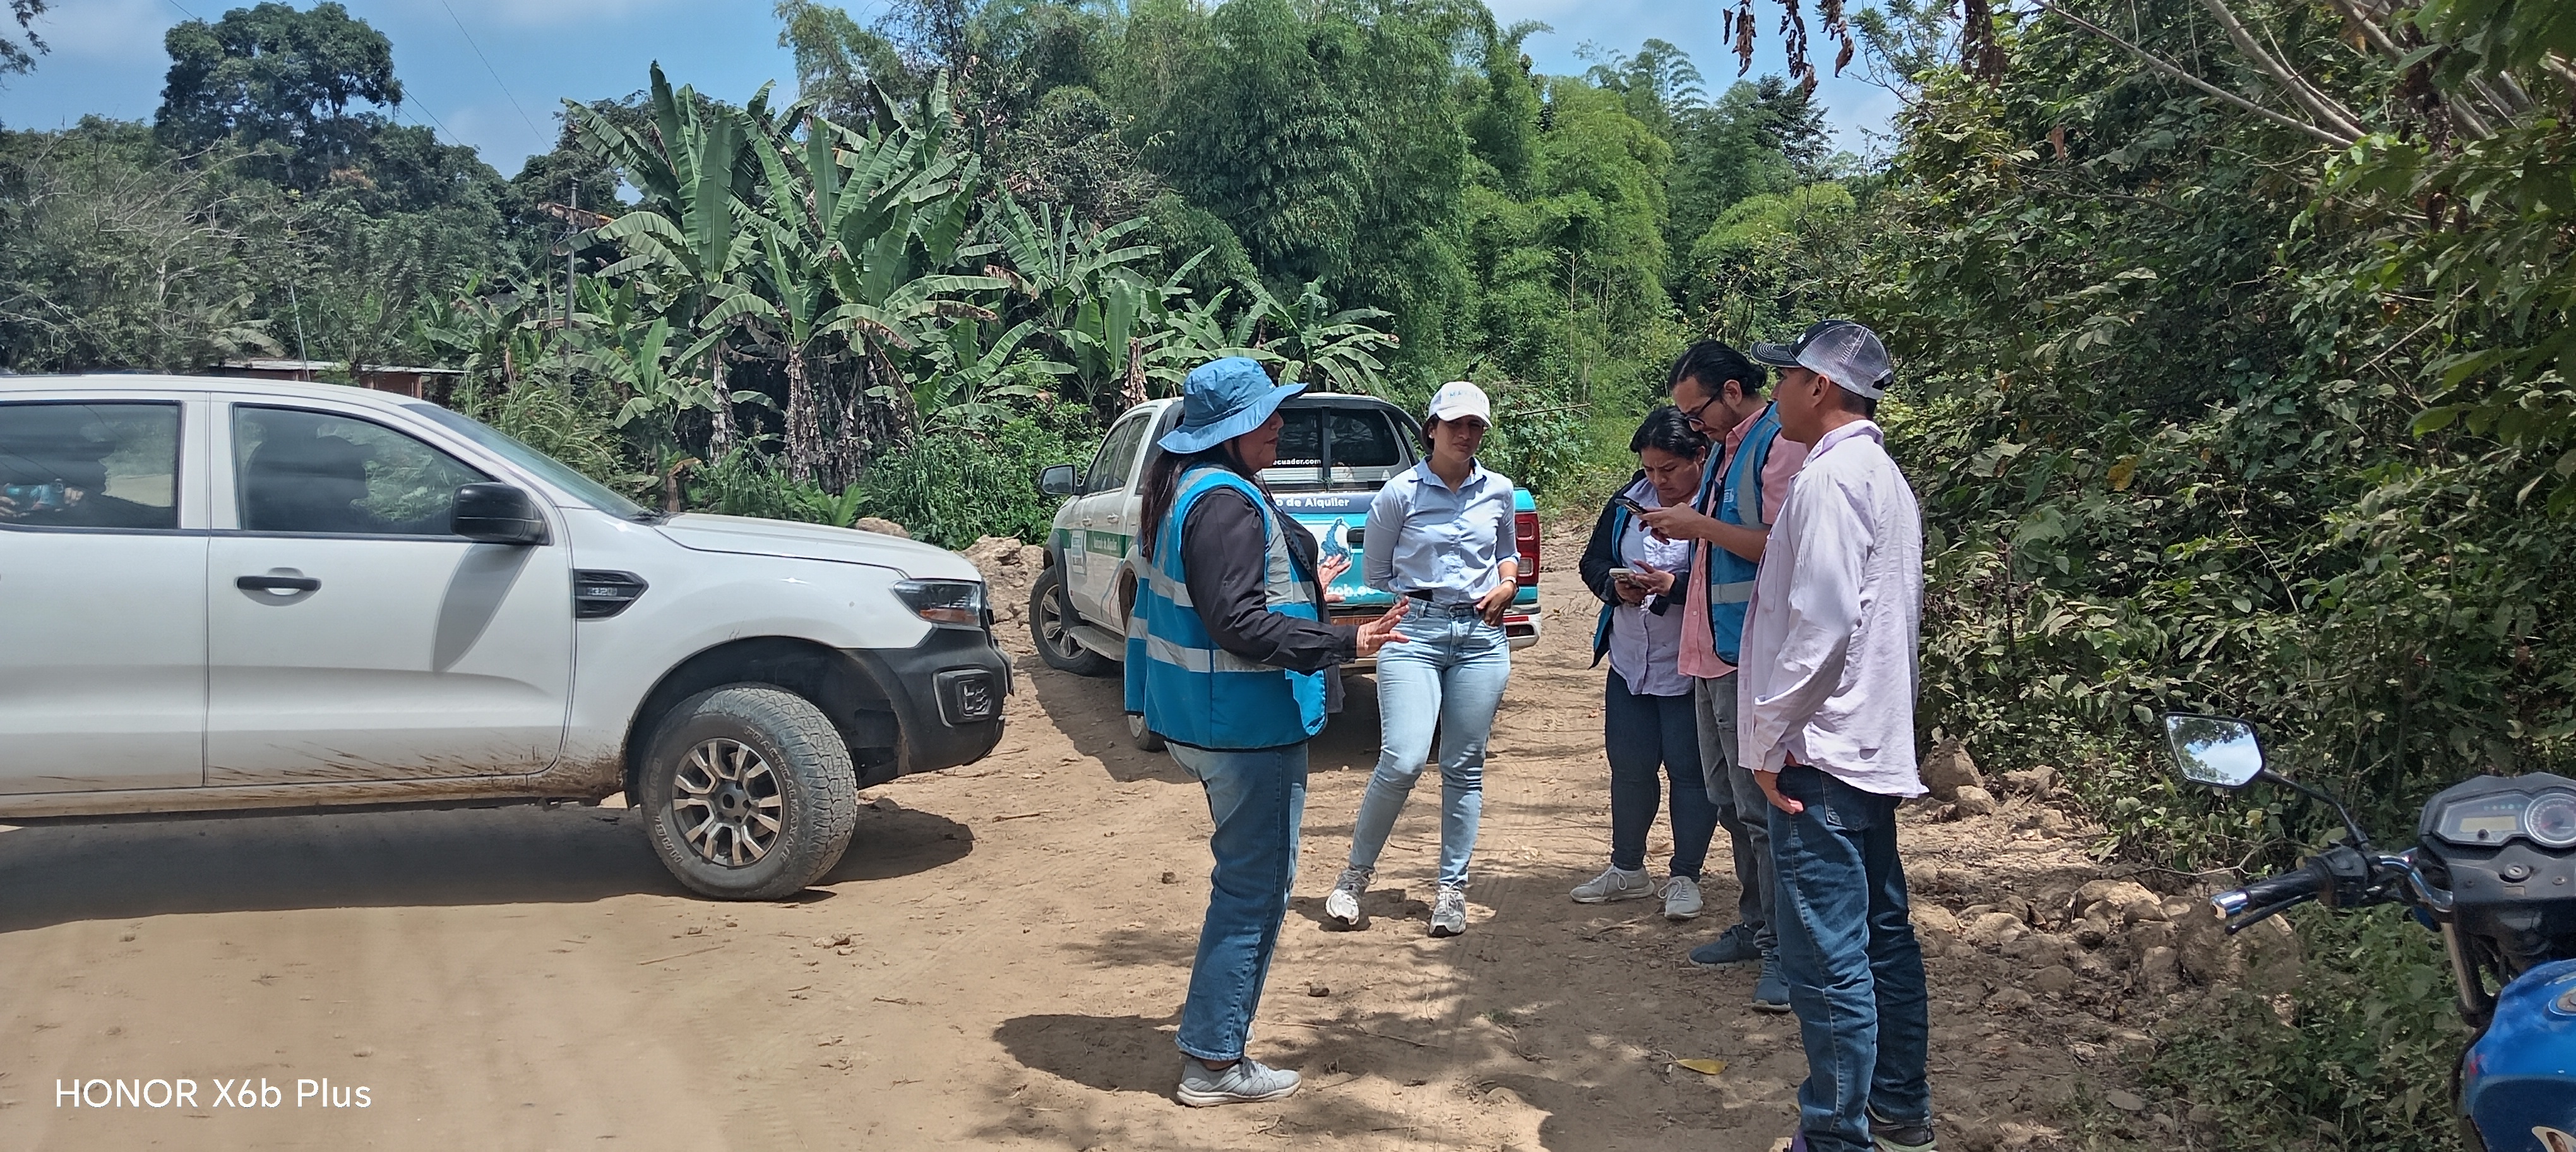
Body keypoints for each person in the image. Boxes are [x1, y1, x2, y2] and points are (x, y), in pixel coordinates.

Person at [1127, 357, 1408, 1107]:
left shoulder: (1191, 489)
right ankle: (1215, 1063)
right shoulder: (1224, 502)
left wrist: (1314, 585)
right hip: (1244, 726)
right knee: (1254, 892)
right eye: (1265, 415)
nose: (1279, 424)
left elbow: (1211, 605)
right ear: (1228, 431)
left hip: (1206, 718)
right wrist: (1347, 641)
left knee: (1245, 884)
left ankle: (1213, 1048)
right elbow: (1239, 623)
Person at [1736, 320, 1933, 1152]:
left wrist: (1768, 739)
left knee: (1827, 959)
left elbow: (1822, 625)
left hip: (1816, 753)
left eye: (1785, 377)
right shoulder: (1883, 477)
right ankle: (1898, 1110)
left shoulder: (1828, 480)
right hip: (1868, 744)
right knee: (1883, 938)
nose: (1775, 391)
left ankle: (1835, 1137)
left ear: (1819, 386)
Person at [1635, 340, 1810, 1012]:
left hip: (1750, 658)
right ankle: (1757, 924)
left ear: (1732, 392)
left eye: (1697, 410)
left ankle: (1787, 954)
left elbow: (1781, 545)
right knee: (1728, 801)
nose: (1693, 424)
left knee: (1762, 812)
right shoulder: (1728, 450)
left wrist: (1699, 525)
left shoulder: (1777, 446)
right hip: (1712, 655)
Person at [1321, 380, 1518, 939]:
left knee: (1464, 765)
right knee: (1403, 759)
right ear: (1431, 429)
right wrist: (1423, 599)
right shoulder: (1399, 493)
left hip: (1481, 636)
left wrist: (1507, 585)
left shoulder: (1499, 491)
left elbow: (1507, 554)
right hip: (1416, 633)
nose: (1465, 434)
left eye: (1475, 425)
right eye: (1454, 424)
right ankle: (1354, 878)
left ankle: (1452, 890)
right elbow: (1378, 571)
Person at [1570, 406, 1719, 920]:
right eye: (1650, 469)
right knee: (1630, 769)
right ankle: (1627, 868)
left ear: (1699, 457)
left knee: (1690, 773)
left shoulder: (1716, 510)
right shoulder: (1626, 502)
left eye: (1669, 469)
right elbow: (1592, 561)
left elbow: (1728, 580)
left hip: (1690, 666)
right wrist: (1615, 588)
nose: (1659, 481)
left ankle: (1686, 876)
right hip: (1631, 661)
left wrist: (1673, 588)